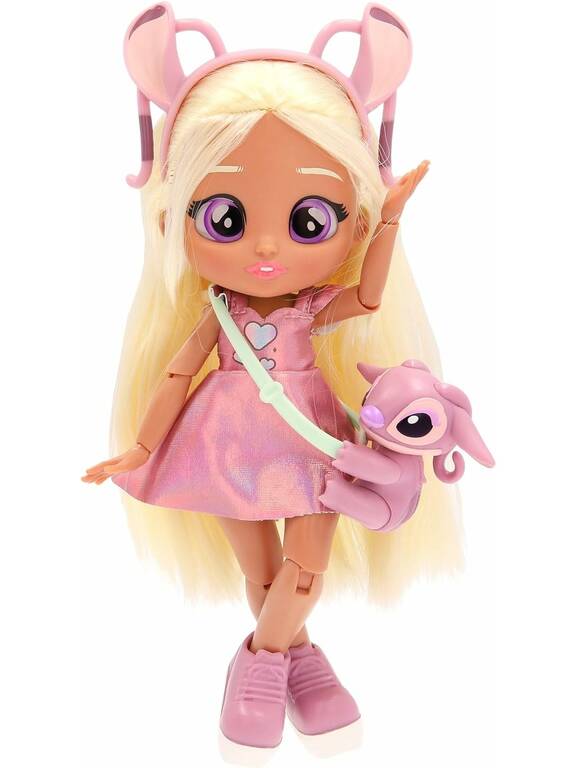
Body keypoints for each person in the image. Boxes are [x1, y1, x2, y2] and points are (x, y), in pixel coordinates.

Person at [83, 2, 465, 749]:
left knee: (302, 572)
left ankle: (260, 661)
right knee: (262, 576)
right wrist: (140, 448)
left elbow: (367, 298)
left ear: (352, 222)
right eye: (224, 218)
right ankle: (303, 661)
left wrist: (390, 220)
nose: (264, 247)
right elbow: (175, 375)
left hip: (313, 443)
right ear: (172, 218)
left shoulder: (312, 307)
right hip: (222, 443)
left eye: (308, 220)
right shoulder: (217, 311)